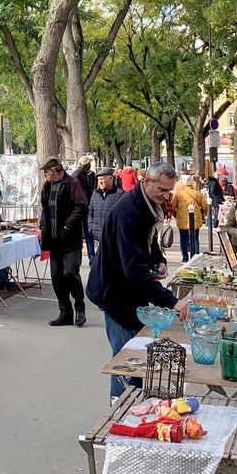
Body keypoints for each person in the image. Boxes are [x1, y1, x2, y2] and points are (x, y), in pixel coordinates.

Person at [87, 162, 190, 400]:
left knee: (134, 356)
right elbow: (134, 271)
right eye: (162, 190)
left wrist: (158, 260)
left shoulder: (147, 204)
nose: (166, 197)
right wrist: (171, 301)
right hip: (116, 293)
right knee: (126, 360)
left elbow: (150, 240)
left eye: (169, 191)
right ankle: (118, 414)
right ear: (146, 182)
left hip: (128, 292)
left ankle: (133, 409)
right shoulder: (129, 212)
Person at [39, 158, 88, 328]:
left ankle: (80, 307)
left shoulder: (72, 184)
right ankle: (65, 312)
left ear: (57, 170)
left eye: (48, 172)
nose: (46, 175)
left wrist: (68, 225)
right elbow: (45, 209)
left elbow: (81, 207)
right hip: (52, 239)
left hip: (70, 239)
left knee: (70, 273)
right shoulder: (47, 186)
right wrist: (43, 225)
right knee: (57, 277)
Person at [171, 175, 209, 263]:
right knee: (195, 239)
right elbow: (204, 206)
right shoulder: (197, 194)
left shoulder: (179, 194)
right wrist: (202, 214)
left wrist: (176, 215)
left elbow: (172, 206)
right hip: (195, 218)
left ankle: (185, 257)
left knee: (183, 239)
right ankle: (195, 257)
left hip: (182, 219)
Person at [87, 168, 122, 254]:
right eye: (99, 179)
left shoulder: (119, 194)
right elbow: (90, 212)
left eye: (102, 179)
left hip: (113, 236)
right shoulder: (95, 193)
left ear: (111, 179)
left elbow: (123, 216)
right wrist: (91, 227)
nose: (100, 182)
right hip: (97, 234)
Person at [72, 156, 96, 260]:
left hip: (83, 206)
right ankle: (87, 256)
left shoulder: (85, 174)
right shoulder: (77, 174)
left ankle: (91, 257)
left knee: (87, 232)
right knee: (84, 232)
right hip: (81, 207)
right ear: (86, 164)